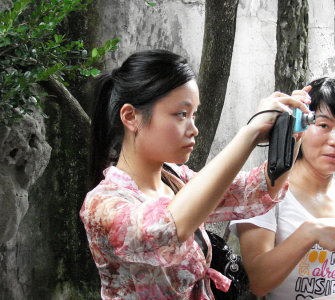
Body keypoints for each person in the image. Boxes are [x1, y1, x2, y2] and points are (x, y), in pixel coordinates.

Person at [79, 49, 320, 299]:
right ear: (131, 117)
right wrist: (249, 132)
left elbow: (255, 190)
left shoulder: (176, 179)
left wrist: (292, 131)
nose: (193, 129)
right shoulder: (102, 204)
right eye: (181, 114)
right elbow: (165, 227)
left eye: (194, 115)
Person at [230, 77, 335, 299]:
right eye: (324, 125)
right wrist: (310, 232)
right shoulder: (267, 190)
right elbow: (257, 282)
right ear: (300, 124)